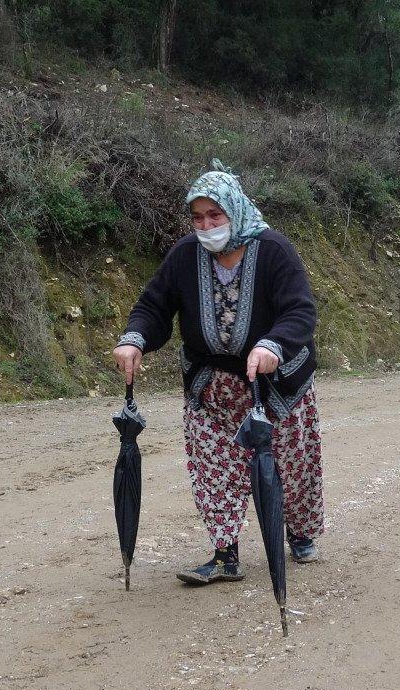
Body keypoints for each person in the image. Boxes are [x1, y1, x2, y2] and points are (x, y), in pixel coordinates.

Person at [112, 162, 324, 586]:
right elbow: (154, 306)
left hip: (274, 384)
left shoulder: (274, 250)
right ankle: (225, 553)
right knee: (214, 467)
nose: (206, 226)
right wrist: (135, 338)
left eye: (215, 216)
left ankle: (300, 532)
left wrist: (273, 345)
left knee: (290, 467)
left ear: (235, 211)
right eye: (198, 218)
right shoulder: (185, 255)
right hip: (212, 386)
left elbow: (300, 310)